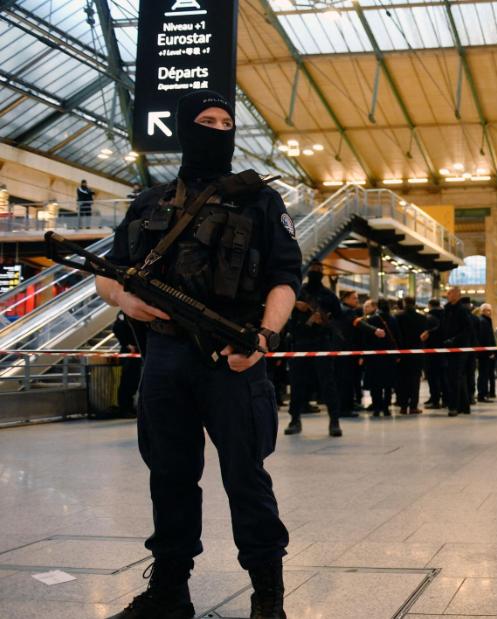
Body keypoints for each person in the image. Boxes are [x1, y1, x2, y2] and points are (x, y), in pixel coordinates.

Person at [99, 89, 300, 619]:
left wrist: (264, 336)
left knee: (245, 475)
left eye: (226, 121)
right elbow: (109, 272)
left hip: (232, 355)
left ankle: (267, 593)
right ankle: (169, 589)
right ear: (186, 130)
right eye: (206, 121)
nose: (218, 129)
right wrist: (125, 300)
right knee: (168, 475)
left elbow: (286, 278)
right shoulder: (149, 201)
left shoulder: (260, 200)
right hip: (165, 357)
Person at [285, 262, 344, 437]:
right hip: (301, 341)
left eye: (318, 271)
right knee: (297, 383)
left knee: (328, 383)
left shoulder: (329, 296)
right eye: (313, 270)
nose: (315, 273)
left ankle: (334, 421)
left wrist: (324, 321)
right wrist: (295, 304)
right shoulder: (298, 292)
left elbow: (339, 321)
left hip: (321, 343)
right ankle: (294, 419)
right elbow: (281, 305)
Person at [361, 298, 401, 415]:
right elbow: (398, 337)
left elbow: (366, 339)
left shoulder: (371, 320)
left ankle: (376, 408)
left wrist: (364, 354)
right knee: (388, 383)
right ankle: (386, 408)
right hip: (389, 356)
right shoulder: (393, 319)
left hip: (374, 356)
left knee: (375, 383)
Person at [440, 287, 475, 416]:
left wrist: (454, 340)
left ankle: (453, 406)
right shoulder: (447, 309)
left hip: (459, 348)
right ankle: (465, 406)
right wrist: (430, 332)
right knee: (458, 377)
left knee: (454, 377)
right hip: (449, 348)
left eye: (449, 293)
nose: (447, 295)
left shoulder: (462, 310)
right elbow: (442, 327)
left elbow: (467, 330)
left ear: (456, 295)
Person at [395, 296, 428, 414]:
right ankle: (413, 406)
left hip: (402, 353)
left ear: (404, 303)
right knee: (415, 381)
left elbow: (396, 335)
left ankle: (403, 406)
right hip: (417, 353)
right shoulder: (422, 318)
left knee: (402, 380)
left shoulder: (398, 317)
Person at [335, 290, 364, 416]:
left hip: (341, 351)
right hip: (348, 351)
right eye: (354, 298)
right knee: (347, 381)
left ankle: (345, 406)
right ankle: (346, 408)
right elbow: (357, 330)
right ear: (345, 298)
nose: (357, 300)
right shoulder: (348, 312)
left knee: (342, 381)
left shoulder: (340, 310)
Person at [111, 311, 146, 418]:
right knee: (127, 381)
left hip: (136, 352)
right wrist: (126, 343)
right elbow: (116, 328)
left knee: (133, 381)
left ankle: (130, 407)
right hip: (128, 353)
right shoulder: (123, 314)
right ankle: (124, 408)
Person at [423, 298, 446, 409]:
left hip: (431, 351)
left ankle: (435, 400)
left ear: (430, 305)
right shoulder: (445, 316)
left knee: (432, 377)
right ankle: (444, 399)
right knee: (442, 377)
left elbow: (425, 335)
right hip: (444, 350)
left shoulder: (428, 318)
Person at [475, 303, 497, 402]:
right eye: (487, 310)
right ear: (482, 311)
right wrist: (490, 352)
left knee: (485, 373)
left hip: (485, 352)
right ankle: (482, 394)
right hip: (485, 352)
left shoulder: (486, 321)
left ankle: (484, 392)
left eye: (490, 310)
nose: (489, 312)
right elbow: (485, 339)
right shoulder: (483, 321)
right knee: (483, 374)